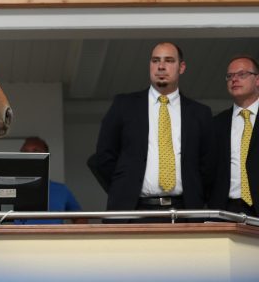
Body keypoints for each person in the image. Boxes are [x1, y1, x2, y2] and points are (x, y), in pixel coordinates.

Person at [87, 42, 213, 215]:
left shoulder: (200, 113)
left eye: (169, 60)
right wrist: (124, 188)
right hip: (132, 212)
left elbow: (208, 165)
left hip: (185, 212)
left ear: (181, 67)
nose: (161, 66)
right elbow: (104, 157)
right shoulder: (124, 105)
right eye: (155, 61)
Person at [208, 55, 259, 217]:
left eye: (242, 74)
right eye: (230, 76)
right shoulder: (216, 123)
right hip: (226, 209)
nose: (234, 79)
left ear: (257, 80)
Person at [18, 137, 87, 224]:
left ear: (47, 157)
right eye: (24, 152)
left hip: (53, 237)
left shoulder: (61, 190)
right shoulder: (12, 187)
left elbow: (80, 219)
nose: (29, 155)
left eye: (36, 151)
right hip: (20, 237)